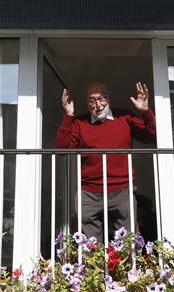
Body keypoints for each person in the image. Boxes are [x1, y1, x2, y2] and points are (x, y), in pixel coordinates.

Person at [55, 82, 156, 242]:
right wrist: (68, 116)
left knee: (128, 241)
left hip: (122, 190)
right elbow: (62, 150)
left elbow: (152, 135)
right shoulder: (80, 123)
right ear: (87, 104)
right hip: (89, 192)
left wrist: (145, 111)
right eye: (91, 101)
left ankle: (129, 268)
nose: (97, 105)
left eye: (100, 99)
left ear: (108, 98)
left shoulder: (125, 117)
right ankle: (91, 268)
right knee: (89, 245)